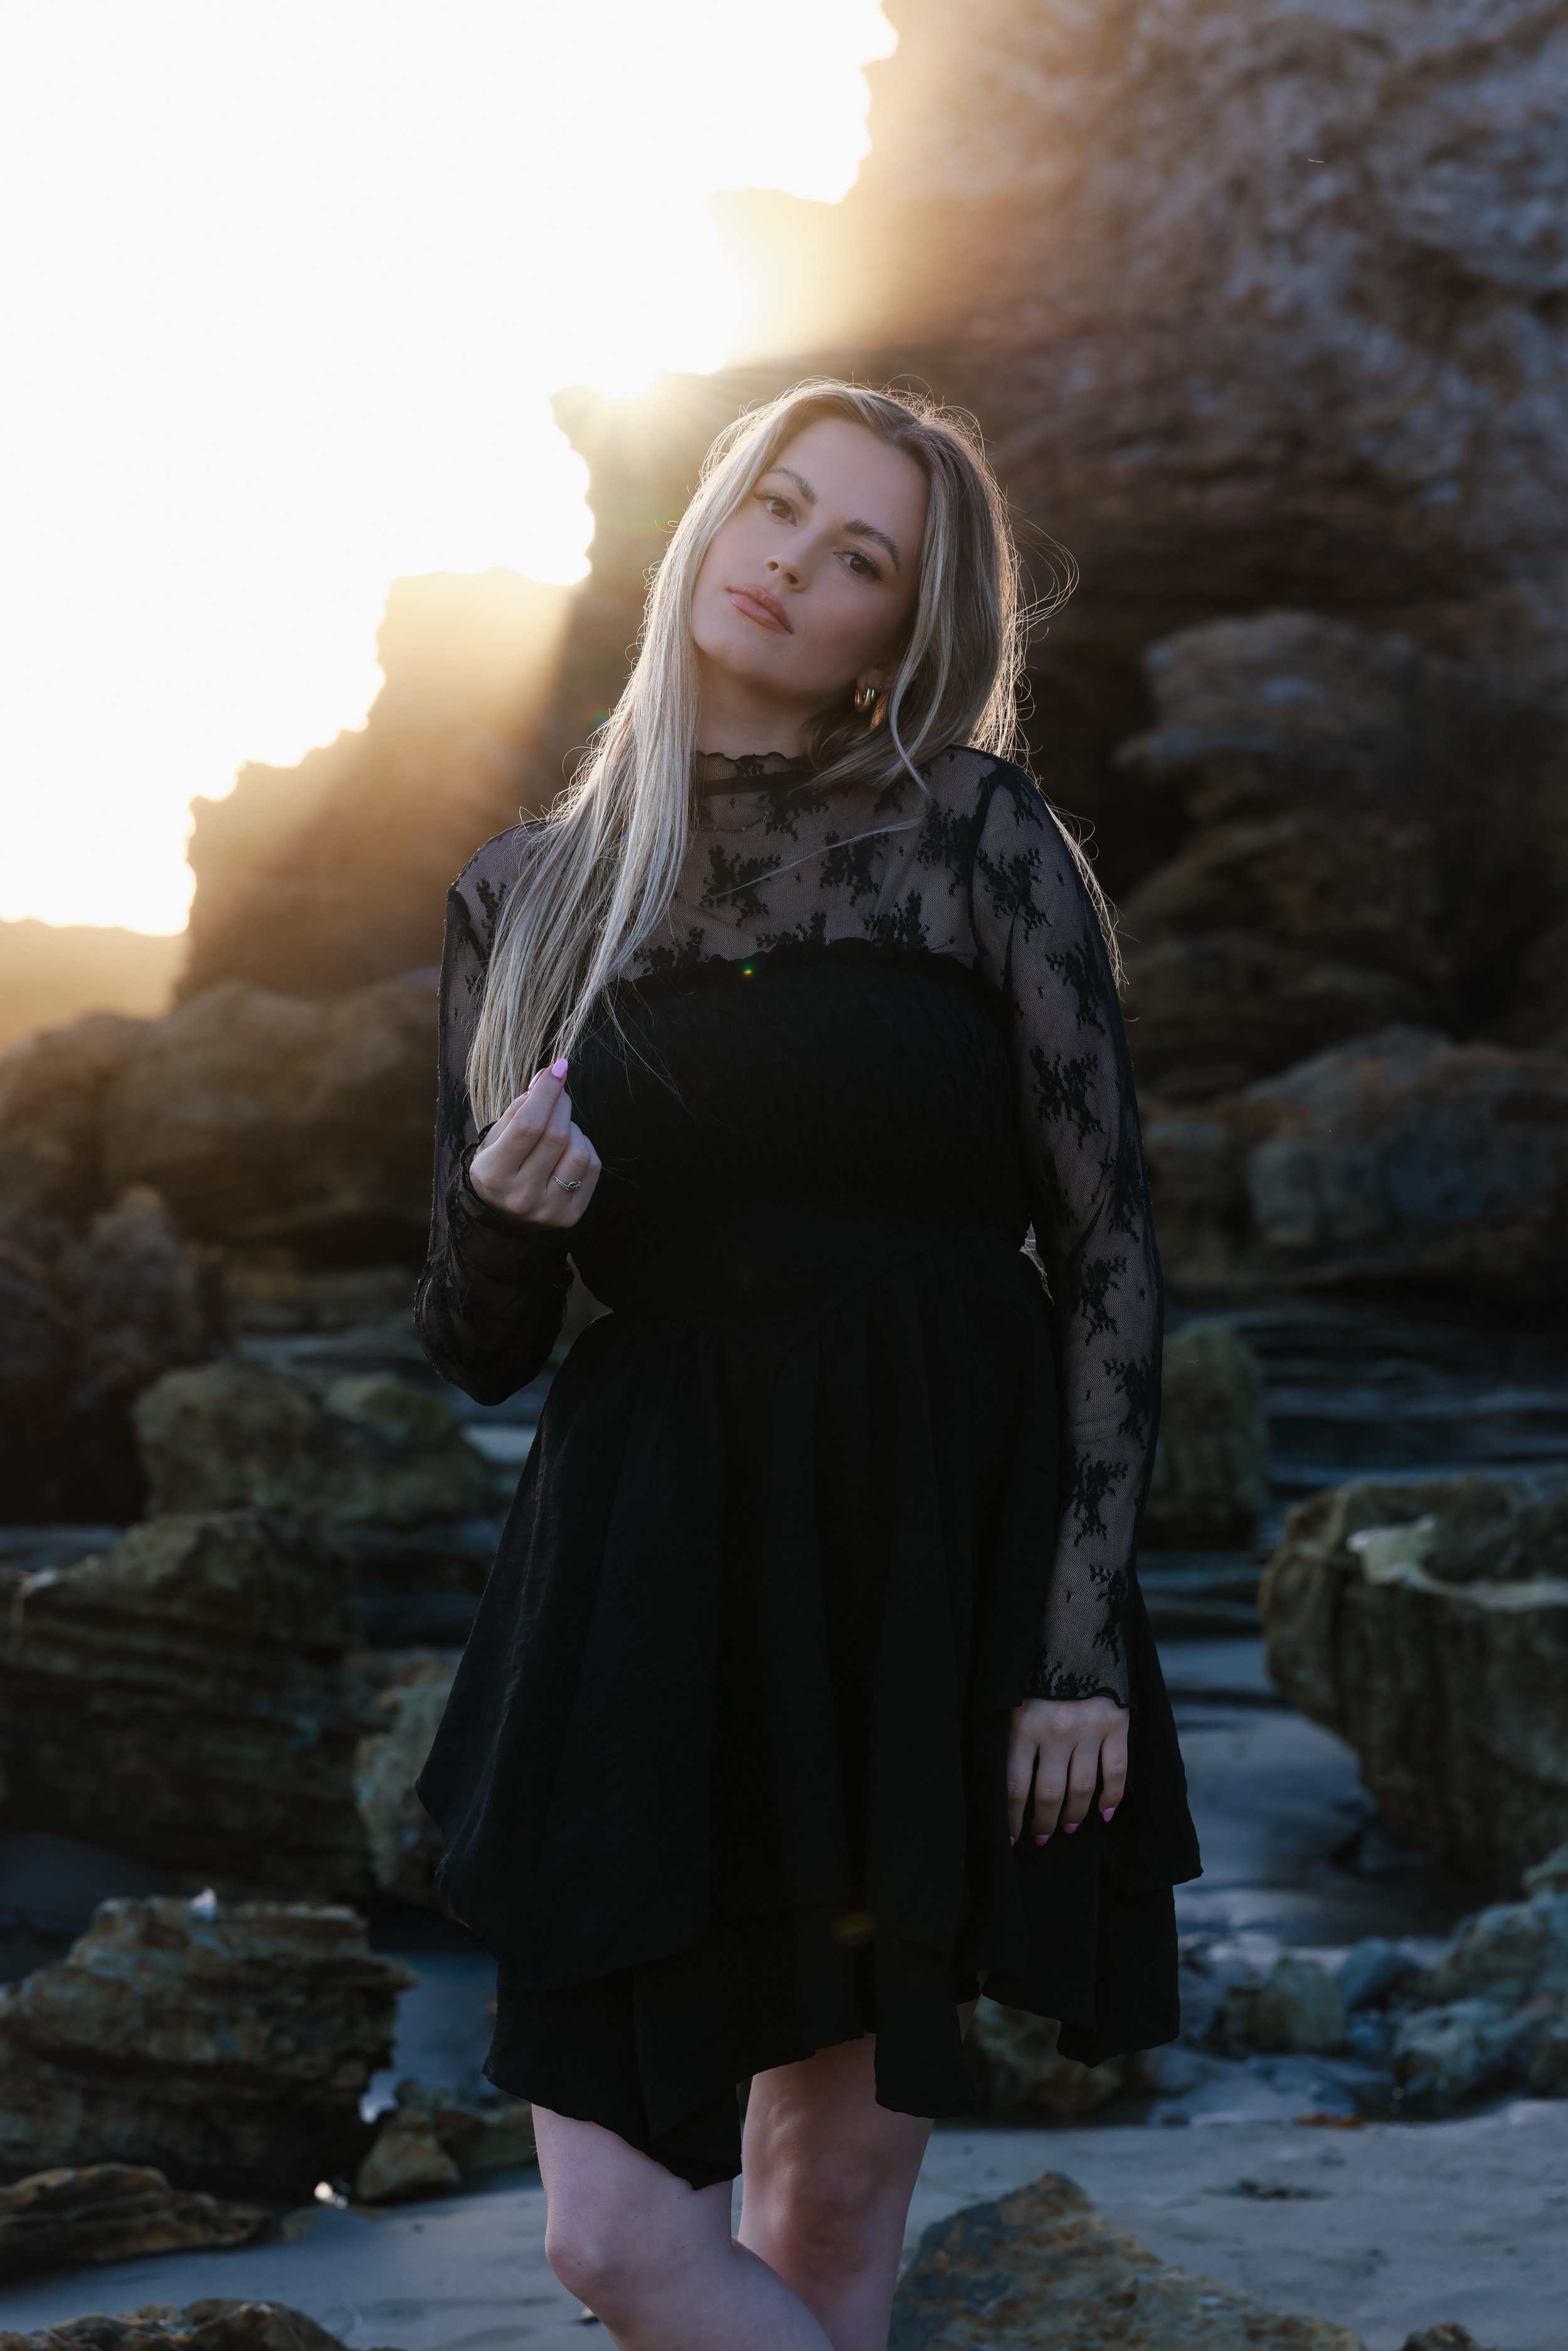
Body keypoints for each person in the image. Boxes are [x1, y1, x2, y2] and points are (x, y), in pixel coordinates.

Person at [414, 379, 1200, 2351]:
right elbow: (478, 1342)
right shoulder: (529, 894)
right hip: (652, 1570)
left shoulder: (968, 833)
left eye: (858, 555)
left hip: (926, 1543)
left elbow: (1104, 1244)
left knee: (830, 2204)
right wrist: (505, 1217)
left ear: (895, 629)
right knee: (613, 2234)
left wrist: (1073, 1653)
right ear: (708, 517)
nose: (790, 563)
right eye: (777, 505)